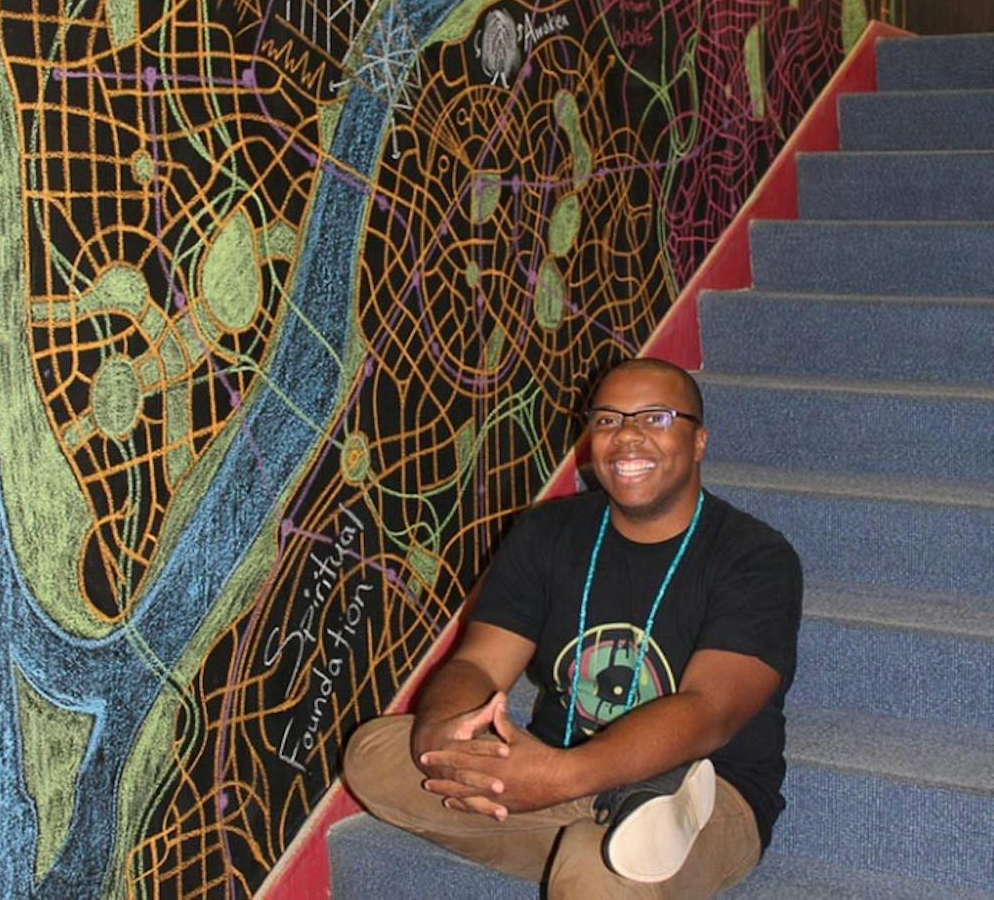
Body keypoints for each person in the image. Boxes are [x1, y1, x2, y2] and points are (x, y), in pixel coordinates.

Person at [344, 357, 803, 898]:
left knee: (593, 872)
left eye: (654, 419)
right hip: (555, 764)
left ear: (699, 441)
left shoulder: (755, 556)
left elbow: (710, 710)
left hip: (707, 785)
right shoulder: (548, 530)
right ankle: (615, 820)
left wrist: (558, 778)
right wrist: (444, 730)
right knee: (375, 754)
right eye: (608, 420)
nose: (627, 437)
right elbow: (478, 662)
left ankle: (630, 823)